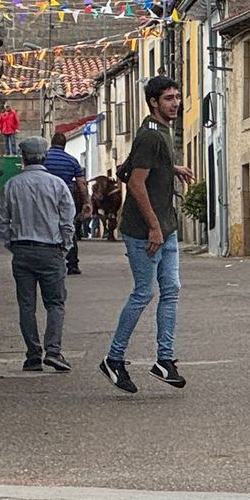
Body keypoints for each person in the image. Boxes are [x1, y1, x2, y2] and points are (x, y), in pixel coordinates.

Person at [99, 75, 194, 394]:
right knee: (143, 292)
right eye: (168, 98)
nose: (175, 103)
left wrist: (172, 168)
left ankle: (164, 360)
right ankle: (113, 359)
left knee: (172, 289)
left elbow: (129, 167)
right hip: (145, 229)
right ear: (153, 102)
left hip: (166, 226)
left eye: (177, 97)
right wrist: (153, 227)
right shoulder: (150, 135)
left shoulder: (158, 129)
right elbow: (136, 183)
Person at [0, 138, 76, 372]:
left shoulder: (11, 185)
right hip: (50, 250)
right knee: (55, 303)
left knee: (26, 305)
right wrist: (65, 246)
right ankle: (53, 351)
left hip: (22, 249)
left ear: (23, 157)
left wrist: (10, 243)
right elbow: (67, 220)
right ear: (45, 157)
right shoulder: (57, 184)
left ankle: (32, 355)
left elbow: (1, 219)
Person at [41, 132, 88, 275]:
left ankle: (47, 262)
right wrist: (86, 202)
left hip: (45, 198)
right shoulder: (72, 161)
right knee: (68, 228)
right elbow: (81, 184)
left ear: (51, 143)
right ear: (64, 144)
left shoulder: (43, 158)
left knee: (45, 228)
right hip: (66, 199)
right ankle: (72, 264)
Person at [91, 172, 123, 241]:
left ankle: (110, 233)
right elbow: (95, 199)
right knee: (106, 217)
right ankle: (107, 230)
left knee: (112, 218)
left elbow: (117, 201)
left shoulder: (114, 191)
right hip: (102, 206)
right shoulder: (96, 190)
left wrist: (113, 210)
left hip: (110, 207)